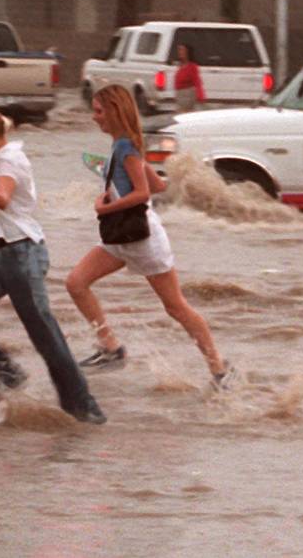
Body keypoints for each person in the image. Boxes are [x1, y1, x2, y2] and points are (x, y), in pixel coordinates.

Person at [0, 103, 106, 424]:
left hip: (23, 255)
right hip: (4, 256)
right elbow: (11, 210)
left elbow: (3, 198)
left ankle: (84, 410)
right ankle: (6, 373)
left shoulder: (10, 159)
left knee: (45, 337)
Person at [65, 84, 233, 389]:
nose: (93, 117)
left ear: (116, 110)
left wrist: (105, 206)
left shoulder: (126, 148)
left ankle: (218, 369)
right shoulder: (124, 147)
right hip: (121, 237)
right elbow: (157, 185)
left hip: (142, 238)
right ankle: (111, 348)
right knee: (76, 283)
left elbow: (142, 194)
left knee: (176, 306)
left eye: (99, 111)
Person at [173, 43, 205, 111]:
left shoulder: (192, 66)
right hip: (180, 94)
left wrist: (200, 96)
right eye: (179, 50)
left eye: (182, 50)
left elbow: (197, 81)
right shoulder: (180, 66)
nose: (180, 52)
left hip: (188, 95)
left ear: (187, 52)